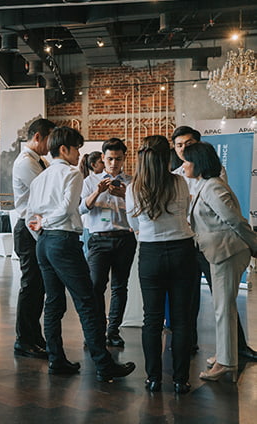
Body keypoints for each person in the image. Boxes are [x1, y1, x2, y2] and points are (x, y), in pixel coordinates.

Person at [26, 126, 135, 382]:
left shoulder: (40, 178)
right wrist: (51, 226)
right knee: (87, 302)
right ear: (64, 149)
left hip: (44, 243)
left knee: (53, 303)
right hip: (63, 241)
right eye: (77, 148)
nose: (79, 154)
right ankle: (104, 364)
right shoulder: (72, 174)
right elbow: (68, 209)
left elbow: (30, 216)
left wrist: (43, 233)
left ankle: (56, 359)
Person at [171, 125, 257, 361]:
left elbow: (228, 215)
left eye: (188, 144)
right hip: (188, 242)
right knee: (188, 298)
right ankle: (190, 344)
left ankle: (234, 350)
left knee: (223, 301)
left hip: (215, 247)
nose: (183, 149)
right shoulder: (176, 175)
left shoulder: (214, 177)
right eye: (179, 145)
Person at [126, 134, 199, 394]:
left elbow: (133, 224)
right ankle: (181, 380)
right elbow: (186, 213)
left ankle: (153, 378)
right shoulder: (180, 182)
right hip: (182, 250)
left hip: (150, 253)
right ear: (166, 156)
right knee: (181, 320)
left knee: (152, 319)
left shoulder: (133, 188)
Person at [79, 138, 135, 348]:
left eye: (118, 159)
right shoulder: (89, 181)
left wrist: (126, 195)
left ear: (124, 158)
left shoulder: (131, 182)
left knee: (120, 287)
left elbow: (140, 209)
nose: (113, 163)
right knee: (95, 287)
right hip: (98, 239)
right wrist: (97, 192)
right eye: (110, 159)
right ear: (103, 158)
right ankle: (96, 332)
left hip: (124, 238)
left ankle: (113, 331)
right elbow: (81, 209)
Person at [12, 118, 55, 360]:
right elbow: (48, 192)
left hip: (36, 226)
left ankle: (34, 336)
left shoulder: (40, 160)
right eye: (50, 139)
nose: (52, 145)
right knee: (31, 286)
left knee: (38, 287)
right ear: (38, 137)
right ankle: (24, 340)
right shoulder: (25, 163)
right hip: (27, 228)